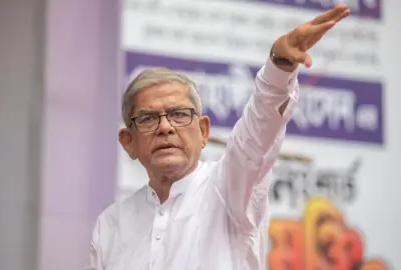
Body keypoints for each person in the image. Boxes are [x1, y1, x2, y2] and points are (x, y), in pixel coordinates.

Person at [87, 5, 351, 270]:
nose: (165, 127)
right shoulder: (111, 225)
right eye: (148, 119)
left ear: (203, 131)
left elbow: (256, 135)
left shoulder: (228, 188)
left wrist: (279, 68)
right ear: (128, 142)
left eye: (179, 114)